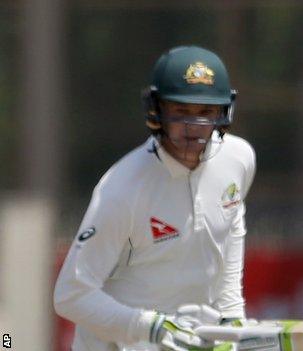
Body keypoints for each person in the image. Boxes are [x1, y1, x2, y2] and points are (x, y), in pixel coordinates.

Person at [54, 46, 256, 350]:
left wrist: (230, 312)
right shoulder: (122, 189)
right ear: (156, 111)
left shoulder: (238, 159)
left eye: (205, 113)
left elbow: (231, 223)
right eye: (181, 112)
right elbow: (70, 296)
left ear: (223, 112)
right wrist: (151, 327)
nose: (194, 128)